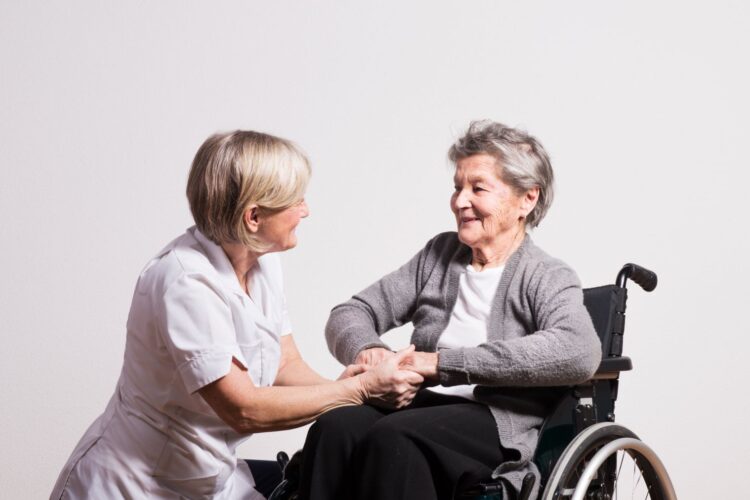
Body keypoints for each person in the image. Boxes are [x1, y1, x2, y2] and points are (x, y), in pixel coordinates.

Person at [50, 130, 423, 500]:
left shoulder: (262, 264)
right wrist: (356, 391)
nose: (305, 210)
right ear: (254, 217)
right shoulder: (185, 281)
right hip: (134, 485)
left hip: (208, 479)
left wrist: (346, 381)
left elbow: (284, 363)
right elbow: (243, 409)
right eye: (295, 200)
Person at [302, 120, 602, 500]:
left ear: (527, 198)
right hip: (420, 405)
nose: (460, 201)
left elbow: (580, 350)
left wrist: (440, 364)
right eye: (457, 187)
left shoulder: (545, 274)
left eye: (477, 188)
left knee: (394, 439)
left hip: (492, 420)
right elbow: (351, 311)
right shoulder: (439, 256)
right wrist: (369, 351)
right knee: (335, 427)